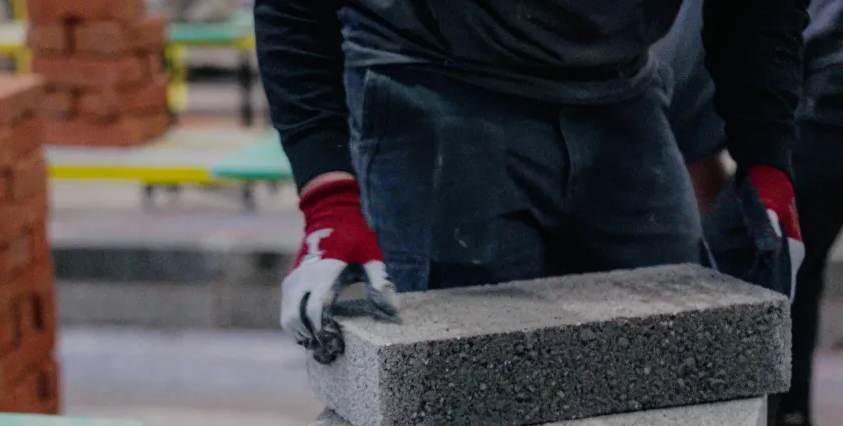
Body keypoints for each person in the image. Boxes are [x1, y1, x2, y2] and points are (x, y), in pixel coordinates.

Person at [256, 0, 810, 364]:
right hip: (434, 79)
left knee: (676, 361)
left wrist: (766, 156)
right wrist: (328, 199)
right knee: (458, 384)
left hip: (619, 87)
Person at [655, 0, 843, 426]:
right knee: (758, 258)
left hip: (820, 62)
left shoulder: (690, 43)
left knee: (751, 260)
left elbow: (704, 176)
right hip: (804, 60)